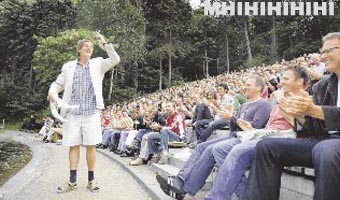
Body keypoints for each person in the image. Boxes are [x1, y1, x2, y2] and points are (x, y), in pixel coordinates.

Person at [245, 32, 340, 200]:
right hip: (323, 141)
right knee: (266, 147)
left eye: (328, 51)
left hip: (328, 147)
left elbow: (319, 113)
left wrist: (315, 110)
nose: (322, 56)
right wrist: (301, 114)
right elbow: (312, 128)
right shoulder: (322, 86)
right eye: (322, 51)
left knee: (326, 150)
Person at [156, 74, 272, 200]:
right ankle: (180, 180)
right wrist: (230, 120)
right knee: (201, 147)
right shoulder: (244, 105)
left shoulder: (264, 105)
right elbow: (235, 126)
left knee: (212, 149)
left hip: (246, 140)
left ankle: (186, 190)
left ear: (259, 87)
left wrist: (232, 118)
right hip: (235, 136)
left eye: (248, 85)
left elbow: (254, 128)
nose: (244, 87)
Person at [203, 66, 308, 200]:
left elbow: (297, 126)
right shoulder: (278, 100)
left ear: (299, 81)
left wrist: (282, 101)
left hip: (284, 138)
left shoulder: (303, 98)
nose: (281, 82)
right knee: (219, 149)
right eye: (282, 78)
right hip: (269, 134)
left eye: (286, 79)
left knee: (237, 150)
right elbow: (270, 127)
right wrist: (251, 129)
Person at [48, 32, 120, 193]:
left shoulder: (98, 64)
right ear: (79, 49)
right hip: (72, 114)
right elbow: (57, 84)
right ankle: (72, 181)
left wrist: (104, 43)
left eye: (91, 46)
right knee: (73, 146)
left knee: (91, 146)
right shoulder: (68, 67)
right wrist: (52, 92)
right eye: (86, 46)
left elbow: (115, 59)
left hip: (91, 113)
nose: (90, 48)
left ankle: (91, 180)